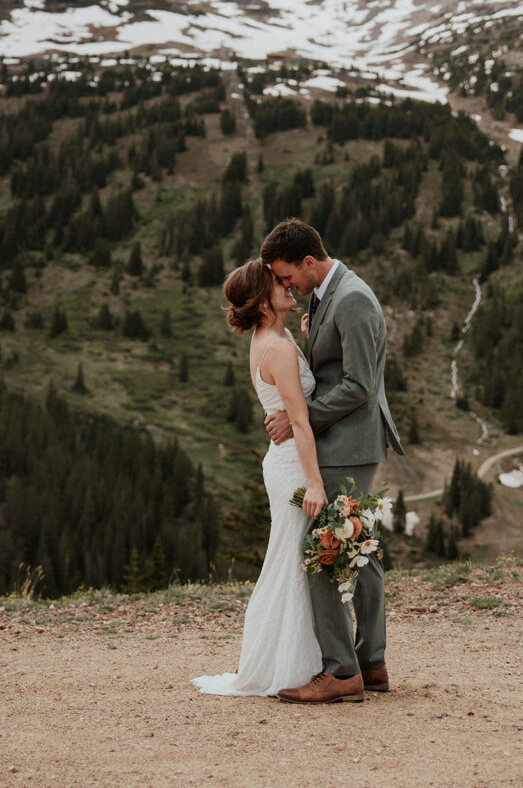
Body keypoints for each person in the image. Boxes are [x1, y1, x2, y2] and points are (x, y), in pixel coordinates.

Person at [260, 218, 404, 705]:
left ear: (308, 262)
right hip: (343, 442)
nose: (285, 286)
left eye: (286, 276)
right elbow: (338, 362)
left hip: (348, 444)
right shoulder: (331, 292)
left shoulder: (354, 297)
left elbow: (361, 385)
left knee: (322, 552)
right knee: (357, 553)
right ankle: (371, 663)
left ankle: (343, 671)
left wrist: (298, 417)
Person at [191, 259, 327, 697]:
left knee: (288, 559)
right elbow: (302, 424)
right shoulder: (279, 348)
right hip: (293, 467)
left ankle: (294, 658)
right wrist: (316, 484)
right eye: (278, 283)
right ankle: (289, 666)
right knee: (291, 562)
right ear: (262, 300)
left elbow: (291, 403)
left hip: (283, 460)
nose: (288, 286)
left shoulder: (277, 338)